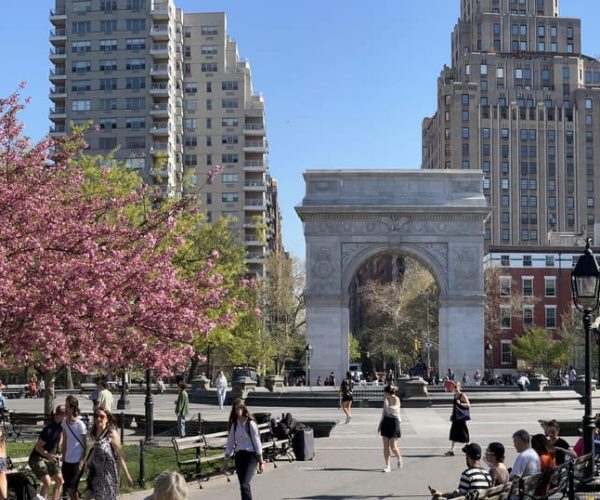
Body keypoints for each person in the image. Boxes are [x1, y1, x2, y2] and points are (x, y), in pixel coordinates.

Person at [85, 406, 132, 500]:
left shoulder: (111, 433)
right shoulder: (94, 432)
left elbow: (119, 456)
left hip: (108, 475)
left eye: (102, 416)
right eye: (96, 416)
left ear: (107, 419)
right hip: (96, 475)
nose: (98, 418)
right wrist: (87, 464)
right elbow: (95, 449)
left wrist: (127, 476)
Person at [222, 399, 265, 500]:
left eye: (240, 408)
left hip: (250, 457)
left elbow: (257, 443)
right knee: (242, 486)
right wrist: (226, 460)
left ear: (244, 408)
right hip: (239, 457)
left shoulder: (250, 424)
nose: (238, 411)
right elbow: (230, 443)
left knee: (245, 484)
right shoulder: (235, 425)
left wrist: (261, 461)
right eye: (236, 409)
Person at [29, 404, 65, 500]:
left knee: (60, 480)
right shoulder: (49, 429)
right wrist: (48, 455)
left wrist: (59, 452)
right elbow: (37, 447)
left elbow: (60, 440)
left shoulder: (60, 426)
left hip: (51, 457)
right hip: (37, 458)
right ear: (61, 415)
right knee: (47, 481)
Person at [61, 395, 87, 500]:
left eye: (67, 406)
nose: (65, 409)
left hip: (77, 461)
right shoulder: (64, 422)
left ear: (73, 408)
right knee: (70, 490)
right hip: (67, 460)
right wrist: (63, 457)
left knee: (72, 488)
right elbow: (65, 441)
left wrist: (81, 461)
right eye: (65, 406)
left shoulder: (80, 424)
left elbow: (85, 445)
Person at [378, 384, 402, 472]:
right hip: (386, 422)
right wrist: (380, 424)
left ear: (388, 392)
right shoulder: (385, 399)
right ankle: (387, 465)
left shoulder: (396, 399)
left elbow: (395, 409)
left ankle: (399, 457)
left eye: (385, 392)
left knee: (393, 446)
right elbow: (384, 412)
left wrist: (388, 406)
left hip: (394, 422)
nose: (384, 394)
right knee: (385, 446)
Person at [445, 381, 471, 456]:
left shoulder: (462, 395)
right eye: (454, 387)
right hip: (456, 416)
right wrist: (452, 415)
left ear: (459, 387)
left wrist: (461, 403)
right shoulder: (455, 395)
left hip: (461, 417)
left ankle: (468, 447)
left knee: (464, 432)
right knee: (453, 432)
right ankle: (452, 449)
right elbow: (455, 407)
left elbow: (469, 405)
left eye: (456, 387)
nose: (455, 388)